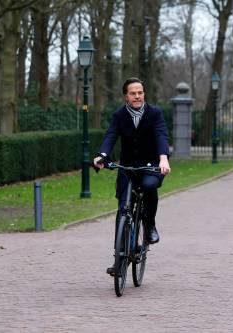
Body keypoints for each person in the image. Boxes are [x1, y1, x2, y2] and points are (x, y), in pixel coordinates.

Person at [93, 77, 171, 276]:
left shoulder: (154, 113)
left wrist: (163, 159)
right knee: (122, 211)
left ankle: (150, 225)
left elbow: (161, 135)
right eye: (133, 93)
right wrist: (102, 155)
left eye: (140, 92)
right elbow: (111, 135)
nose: (137, 96)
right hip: (127, 167)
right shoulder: (119, 115)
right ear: (126, 96)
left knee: (148, 186)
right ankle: (120, 260)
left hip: (151, 166)